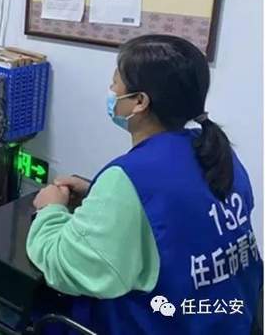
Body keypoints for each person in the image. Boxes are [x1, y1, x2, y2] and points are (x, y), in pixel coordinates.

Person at [26, 35, 262, 334]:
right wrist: (100, 193)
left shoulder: (130, 177)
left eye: (115, 84)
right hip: (230, 319)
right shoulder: (216, 152)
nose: (111, 91)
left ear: (139, 101)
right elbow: (179, 215)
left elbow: (67, 267)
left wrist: (50, 211)